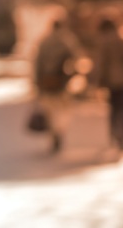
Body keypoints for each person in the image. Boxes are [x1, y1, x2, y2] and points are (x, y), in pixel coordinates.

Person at [92, 19, 123, 151]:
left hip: (111, 82)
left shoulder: (103, 43)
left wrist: (98, 81)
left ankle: (114, 134)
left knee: (114, 109)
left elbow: (101, 64)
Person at [33, 20, 77, 154]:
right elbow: (75, 60)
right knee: (62, 110)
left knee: (50, 111)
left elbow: (37, 64)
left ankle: (53, 134)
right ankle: (59, 132)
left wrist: (37, 82)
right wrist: (70, 77)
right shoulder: (66, 41)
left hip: (46, 82)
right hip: (61, 82)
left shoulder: (44, 42)